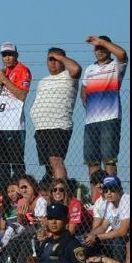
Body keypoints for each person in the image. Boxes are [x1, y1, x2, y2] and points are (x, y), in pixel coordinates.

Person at [29, 47, 81, 180]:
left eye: (56, 59)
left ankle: (62, 192)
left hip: (58, 125)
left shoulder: (68, 75)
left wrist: (60, 57)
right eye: (50, 59)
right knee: (48, 165)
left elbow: (76, 69)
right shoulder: (43, 81)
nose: (53, 62)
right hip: (41, 128)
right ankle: (53, 194)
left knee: (56, 160)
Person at [80, 35, 126, 174]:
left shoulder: (115, 66)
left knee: (109, 160)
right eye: (97, 48)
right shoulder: (89, 69)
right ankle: (96, 196)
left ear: (109, 48)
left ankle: (112, 191)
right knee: (92, 162)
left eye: (103, 48)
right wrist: (88, 106)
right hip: (91, 121)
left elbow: (122, 54)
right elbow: (83, 90)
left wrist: (102, 42)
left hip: (109, 120)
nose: (99, 51)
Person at [0, 43, 31, 189]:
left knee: (16, 162)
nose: (7, 58)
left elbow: (22, 95)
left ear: (16, 55)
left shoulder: (23, 70)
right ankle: (4, 193)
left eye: (10, 54)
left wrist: (5, 80)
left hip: (14, 125)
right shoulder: (2, 72)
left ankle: (20, 193)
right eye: (4, 54)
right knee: (1, 163)